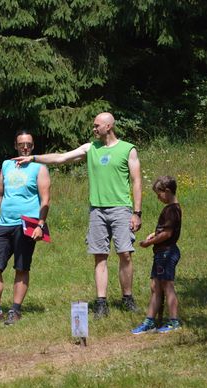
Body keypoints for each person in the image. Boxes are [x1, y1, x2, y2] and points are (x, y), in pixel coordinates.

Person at [13, 112, 143, 318]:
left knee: (125, 254)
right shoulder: (90, 148)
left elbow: (137, 182)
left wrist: (137, 212)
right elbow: (61, 158)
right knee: (99, 256)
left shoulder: (128, 149)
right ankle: (101, 302)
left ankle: (127, 298)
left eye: (97, 125)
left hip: (121, 209)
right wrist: (34, 158)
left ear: (108, 126)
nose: (94, 129)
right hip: (97, 210)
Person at [0, 131, 50, 325]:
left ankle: (15, 310)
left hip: (28, 223)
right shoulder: (6, 165)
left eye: (28, 144)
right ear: (16, 146)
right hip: (4, 224)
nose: (25, 147)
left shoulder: (39, 167)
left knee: (21, 267)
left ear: (33, 146)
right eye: (21, 144)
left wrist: (40, 225)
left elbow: (45, 199)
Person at [131, 176, 182, 334]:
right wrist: (154, 235)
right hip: (161, 253)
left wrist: (149, 243)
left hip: (167, 253)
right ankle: (150, 321)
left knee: (167, 286)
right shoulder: (171, 209)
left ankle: (174, 321)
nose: (158, 197)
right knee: (155, 287)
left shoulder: (172, 210)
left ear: (167, 191)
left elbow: (167, 233)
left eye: (159, 194)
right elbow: (165, 230)